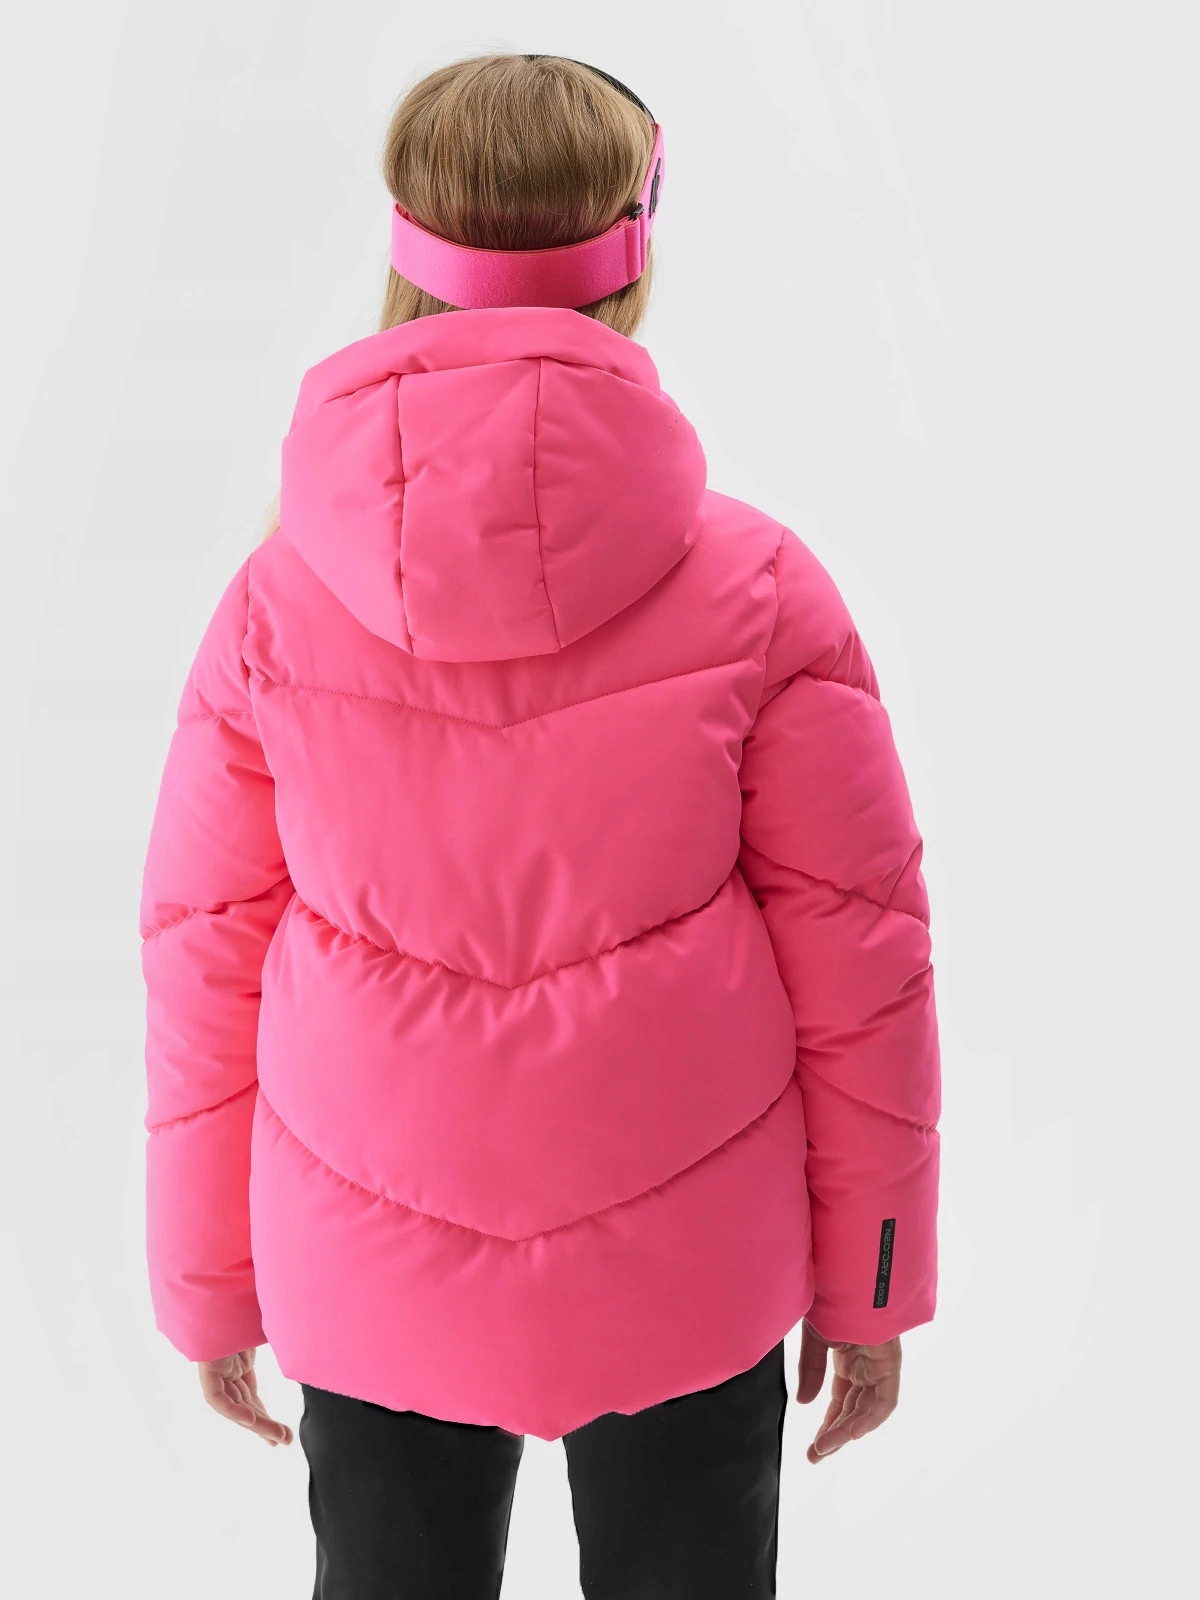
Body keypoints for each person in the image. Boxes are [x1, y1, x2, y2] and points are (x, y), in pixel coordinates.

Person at [139, 51, 942, 1599]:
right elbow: (864, 963)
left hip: (365, 1265)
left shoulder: (272, 605)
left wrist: (207, 1279)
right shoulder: (764, 592)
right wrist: (875, 1273)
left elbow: (202, 958)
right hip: (693, 1271)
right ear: (631, 249)